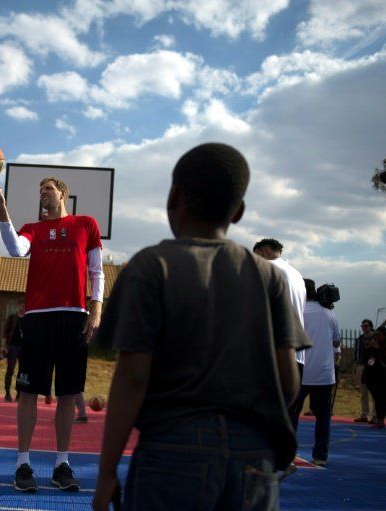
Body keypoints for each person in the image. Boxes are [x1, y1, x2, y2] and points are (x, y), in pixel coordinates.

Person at [92, 143, 310, 511]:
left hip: (171, 449)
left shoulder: (150, 267)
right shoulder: (268, 277)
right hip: (254, 456)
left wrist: (107, 471)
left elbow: (132, 377)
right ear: (238, 211)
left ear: (173, 196)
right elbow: (289, 383)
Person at [0, 176, 105, 493]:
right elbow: (14, 248)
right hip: (37, 319)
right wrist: (1, 207)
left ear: (63, 194)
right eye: (40, 191)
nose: (43, 194)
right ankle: (23, 463)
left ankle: (61, 464)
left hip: (74, 317)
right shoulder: (32, 229)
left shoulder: (86, 224)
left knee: (67, 393)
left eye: (48, 189)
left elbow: (97, 271)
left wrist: (96, 308)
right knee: (29, 393)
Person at [253, 237, 308, 475]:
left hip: (272, 348)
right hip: (295, 352)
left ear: (264, 251)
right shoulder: (297, 276)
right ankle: (285, 457)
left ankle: (264, 460)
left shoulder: (268, 269)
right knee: (287, 410)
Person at [289, 278, 341, 467]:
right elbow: (336, 341)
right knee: (323, 418)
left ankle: (287, 453)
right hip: (324, 374)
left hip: (300, 371)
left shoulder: (297, 312)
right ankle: (320, 455)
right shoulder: (329, 314)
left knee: (292, 415)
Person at [363, 326, 386, 430]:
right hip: (374, 378)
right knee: (378, 400)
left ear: (384, 335)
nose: (377, 338)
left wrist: (378, 349)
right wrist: (369, 350)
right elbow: (370, 362)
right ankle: (380, 421)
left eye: (379, 335)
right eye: (376, 336)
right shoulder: (374, 348)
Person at [1, 300, 25, 402]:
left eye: (25, 306)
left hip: (24, 348)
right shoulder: (12, 318)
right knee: (10, 370)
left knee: (23, 372)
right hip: (13, 347)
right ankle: (7, 393)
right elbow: (5, 332)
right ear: (18, 306)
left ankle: (20, 394)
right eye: (22, 306)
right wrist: (3, 346)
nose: (23, 308)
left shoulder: (29, 319)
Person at [354, 318, 377, 423]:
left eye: (366, 325)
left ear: (371, 326)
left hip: (373, 368)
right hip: (361, 366)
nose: (363, 327)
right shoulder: (359, 339)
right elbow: (357, 354)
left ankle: (375, 416)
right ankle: (364, 414)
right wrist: (357, 366)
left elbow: (376, 353)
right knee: (363, 392)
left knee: (374, 392)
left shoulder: (376, 338)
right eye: (362, 326)